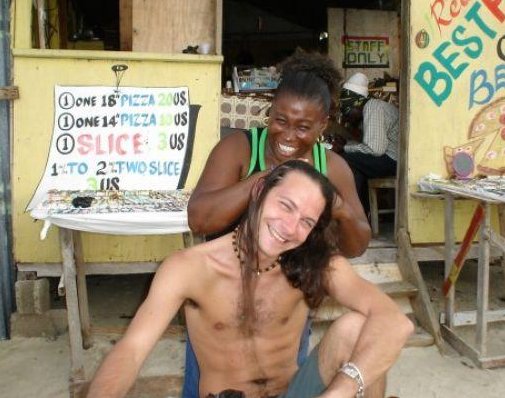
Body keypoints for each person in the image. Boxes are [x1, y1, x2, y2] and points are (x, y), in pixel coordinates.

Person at [87, 160, 413, 398]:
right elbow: (130, 350)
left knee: (357, 328)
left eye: (306, 221)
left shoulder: (315, 263)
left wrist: (339, 392)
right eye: (285, 206)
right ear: (259, 191)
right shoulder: (188, 268)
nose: (289, 227)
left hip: (293, 393)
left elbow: (395, 323)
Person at [185, 51, 372, 396]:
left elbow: (357, 245)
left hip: (287, 301)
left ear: (323, 124)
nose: (288, 135)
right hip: (220, 299)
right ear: (270, 111)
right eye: (280, 120)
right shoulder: (238, 149)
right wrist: (267, 178)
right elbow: (199, 219)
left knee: (278, 383)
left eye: (303, 127)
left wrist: (341, 209)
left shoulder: (331, 167)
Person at [338, 72, 400, 215]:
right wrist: (347, 143)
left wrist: (344, 147)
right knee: (357, 167)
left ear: (357, 103)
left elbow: (375, 149)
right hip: (390, 158)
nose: (346, 116)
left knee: (345, 159)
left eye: (347, 112)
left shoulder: (373, 108)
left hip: (394, 161)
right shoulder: (371, 108)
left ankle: (357, 213)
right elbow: (370, 145)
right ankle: (362, 214)